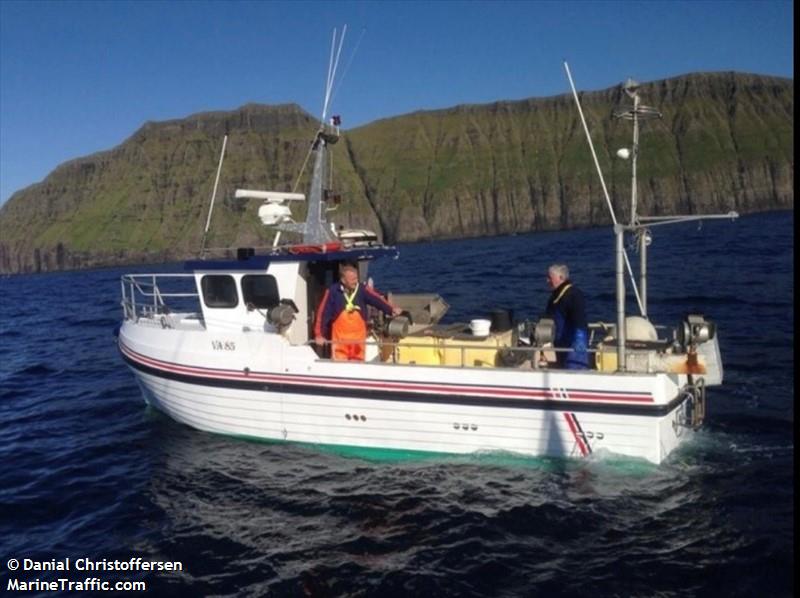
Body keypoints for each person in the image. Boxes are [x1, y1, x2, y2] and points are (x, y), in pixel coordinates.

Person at [314, 264, 402, 361]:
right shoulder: (333, 292)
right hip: (340, 343)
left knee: (358, 367)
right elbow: (323, 314)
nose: (355, 282)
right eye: (352, 279)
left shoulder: (362, 289)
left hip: (358, 342)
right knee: (339, 369)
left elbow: (376, 299)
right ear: (343, 280)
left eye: (356, 278)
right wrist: (319, 334)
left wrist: (391, 309)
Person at [544, 263, 589, 369]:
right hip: (560, 344)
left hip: (574, 348)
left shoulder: (574, 295)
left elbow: (580, 320)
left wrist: (579, 339)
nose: (547, 281)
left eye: (550, 278)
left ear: (561, 277)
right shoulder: (554, 297)